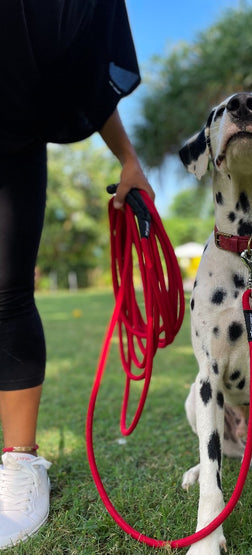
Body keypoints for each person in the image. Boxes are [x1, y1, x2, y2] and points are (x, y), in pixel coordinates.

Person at [0, 0, 154, 549]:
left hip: (10, 140)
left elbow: (86, 77)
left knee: (8, 295)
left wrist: (127, 158)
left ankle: (20, 461)